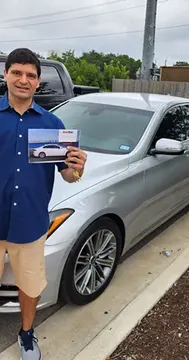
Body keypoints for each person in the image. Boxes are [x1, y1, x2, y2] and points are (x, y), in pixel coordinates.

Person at [0, 48, 87, 360]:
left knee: (30, 285)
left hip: (31, 224)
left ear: (38, 82)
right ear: (6, 75)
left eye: (31, 75)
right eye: (17, 73)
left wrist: (77, 167)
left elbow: (69, 175)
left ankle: (26, 334)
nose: (24, 80)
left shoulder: (53, 125)